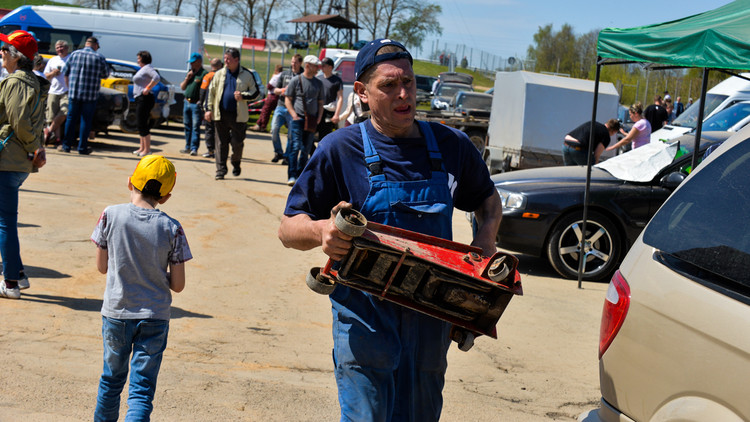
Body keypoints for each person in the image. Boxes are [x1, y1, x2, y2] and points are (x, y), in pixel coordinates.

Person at [277, 39, 502, 421]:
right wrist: (322, 232)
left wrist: (483, 246)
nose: (404, 94)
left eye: (410, 83)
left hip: (430, 320)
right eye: (389, 85)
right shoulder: (339, 149)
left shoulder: (452, 146)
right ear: (362, 93)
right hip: (365, 319)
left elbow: (489, 202)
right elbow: (287, 228)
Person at [91, 155, 192, 420]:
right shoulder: (172, 228)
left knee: (111, 381)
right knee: (141, 390)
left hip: (116, 313)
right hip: (154, 317)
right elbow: (178, 285)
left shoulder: (110, 215)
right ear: (166, 196)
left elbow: (102, 267)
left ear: (129, 183)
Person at [0, 30, 47, 299]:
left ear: (17, 57)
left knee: (5, 223)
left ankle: (9, 284)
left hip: (9, 158)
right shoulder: (29, 80)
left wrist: (34, 149)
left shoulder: (17, 82)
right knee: (6, 221)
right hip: (17, 160)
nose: (1, 53)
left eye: (5, 49)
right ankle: (17, 275)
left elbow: (19, 122)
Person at [204, 48, 258, 180]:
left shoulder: (247, 75)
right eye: (225, 58)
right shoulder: (219, 74)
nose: (226, 61)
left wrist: (243, 96)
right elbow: (210, 92)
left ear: (236, 60)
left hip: (238, 116)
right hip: (220, 114)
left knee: (237, 143)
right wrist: (208, 109)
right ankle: (220, 170)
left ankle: (236, 162)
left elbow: (256, 92)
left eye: (228, 59)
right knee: (221, 143)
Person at [60, 36, 108, 155]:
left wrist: (69, 88)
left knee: (70, 119)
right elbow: (105, 74)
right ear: (95, 45)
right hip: (90, 95)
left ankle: (66, 146)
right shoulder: (99, 57)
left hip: (74, 93)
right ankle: (82, 147)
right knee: (85, 121)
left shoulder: (74, 54)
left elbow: (65, 72)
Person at [284, 55, 324, 186]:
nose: (318, 68)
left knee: (306, 149)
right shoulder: (296, 80)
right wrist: (293, 114)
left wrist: (318, 117)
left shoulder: (318, 83)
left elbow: (320, 102)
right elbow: (288, 99)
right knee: (295, 147)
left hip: (312, 121)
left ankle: (300, 176)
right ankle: (292, 175)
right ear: (307, 66)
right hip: (297, 119)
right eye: (315, 66)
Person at [270, 54, 302, 164]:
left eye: (295, 62)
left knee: (290, 134)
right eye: (292, 62)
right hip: (281, 106)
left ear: (300, 63)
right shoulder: (284, 74)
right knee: (274, 129)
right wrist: (283, 90)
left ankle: (287, 156)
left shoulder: (302, 76)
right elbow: (275, 90)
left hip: (294, 108)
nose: (293, 64)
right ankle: (278, 152)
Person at [131, 51, 160, 157]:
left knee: (142, 123)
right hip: (139, 98)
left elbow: (156, 77)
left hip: (145, 98)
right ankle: (142, 147)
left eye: (139, 58)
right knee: (140, 123)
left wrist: (148, 88)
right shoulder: (143, 69)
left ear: (144, 59)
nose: (137, 60)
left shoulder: (148, 68)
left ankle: (147, 149)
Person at [180, 52, 208, 156]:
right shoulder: (190, 73)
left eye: (193, 62)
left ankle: (194, 148)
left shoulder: (203, 74)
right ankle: (187, 146)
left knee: (195, 127)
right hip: (186, 102)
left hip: (195, 104)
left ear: (199, 62)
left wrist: (201, 101)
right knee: (187, 125)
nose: (191, 64)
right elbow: (183, 87)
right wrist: (187, 78)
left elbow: (205, 90)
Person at [43, 40, 70, 146]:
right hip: (53, 90)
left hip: (66, 90)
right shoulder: (52, 60)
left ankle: (48, 131)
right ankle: (57, 140)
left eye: (62, 47)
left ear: (67, 48)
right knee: (52, 116)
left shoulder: (70, 59)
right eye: (58, 47)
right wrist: (53, 73)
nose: (59, 49)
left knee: (65, 112)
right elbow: (46, 75)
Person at [199, 58, 223, 159]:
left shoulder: (208, 76)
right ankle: (220, 150)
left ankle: (210, 150)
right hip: (221, 107)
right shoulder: (223, 76)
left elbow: (203, 91)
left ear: (211, 65)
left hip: (210, 107)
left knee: (209, 129)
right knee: (220, 129)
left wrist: (202, 105)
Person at [315, 57, 343, 141]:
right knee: (308, 135)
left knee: (324, 137)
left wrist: (336, 114)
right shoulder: (318, 78)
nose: (322, 67)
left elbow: (340, 97)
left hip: (328, 111)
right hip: (317, 110)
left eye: (324, 66)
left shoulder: (337, 80)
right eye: (321, 65)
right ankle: (312, 152)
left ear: (330, 67)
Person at [250, 64, 282, 133]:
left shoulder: (276, 76)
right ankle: (262, 125)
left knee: (265, 111)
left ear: (276, 70)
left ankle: (262, 126)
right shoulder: (282, 76)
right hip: (278, 97)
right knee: (271, 112)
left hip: (272, 96)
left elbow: (269, 86)